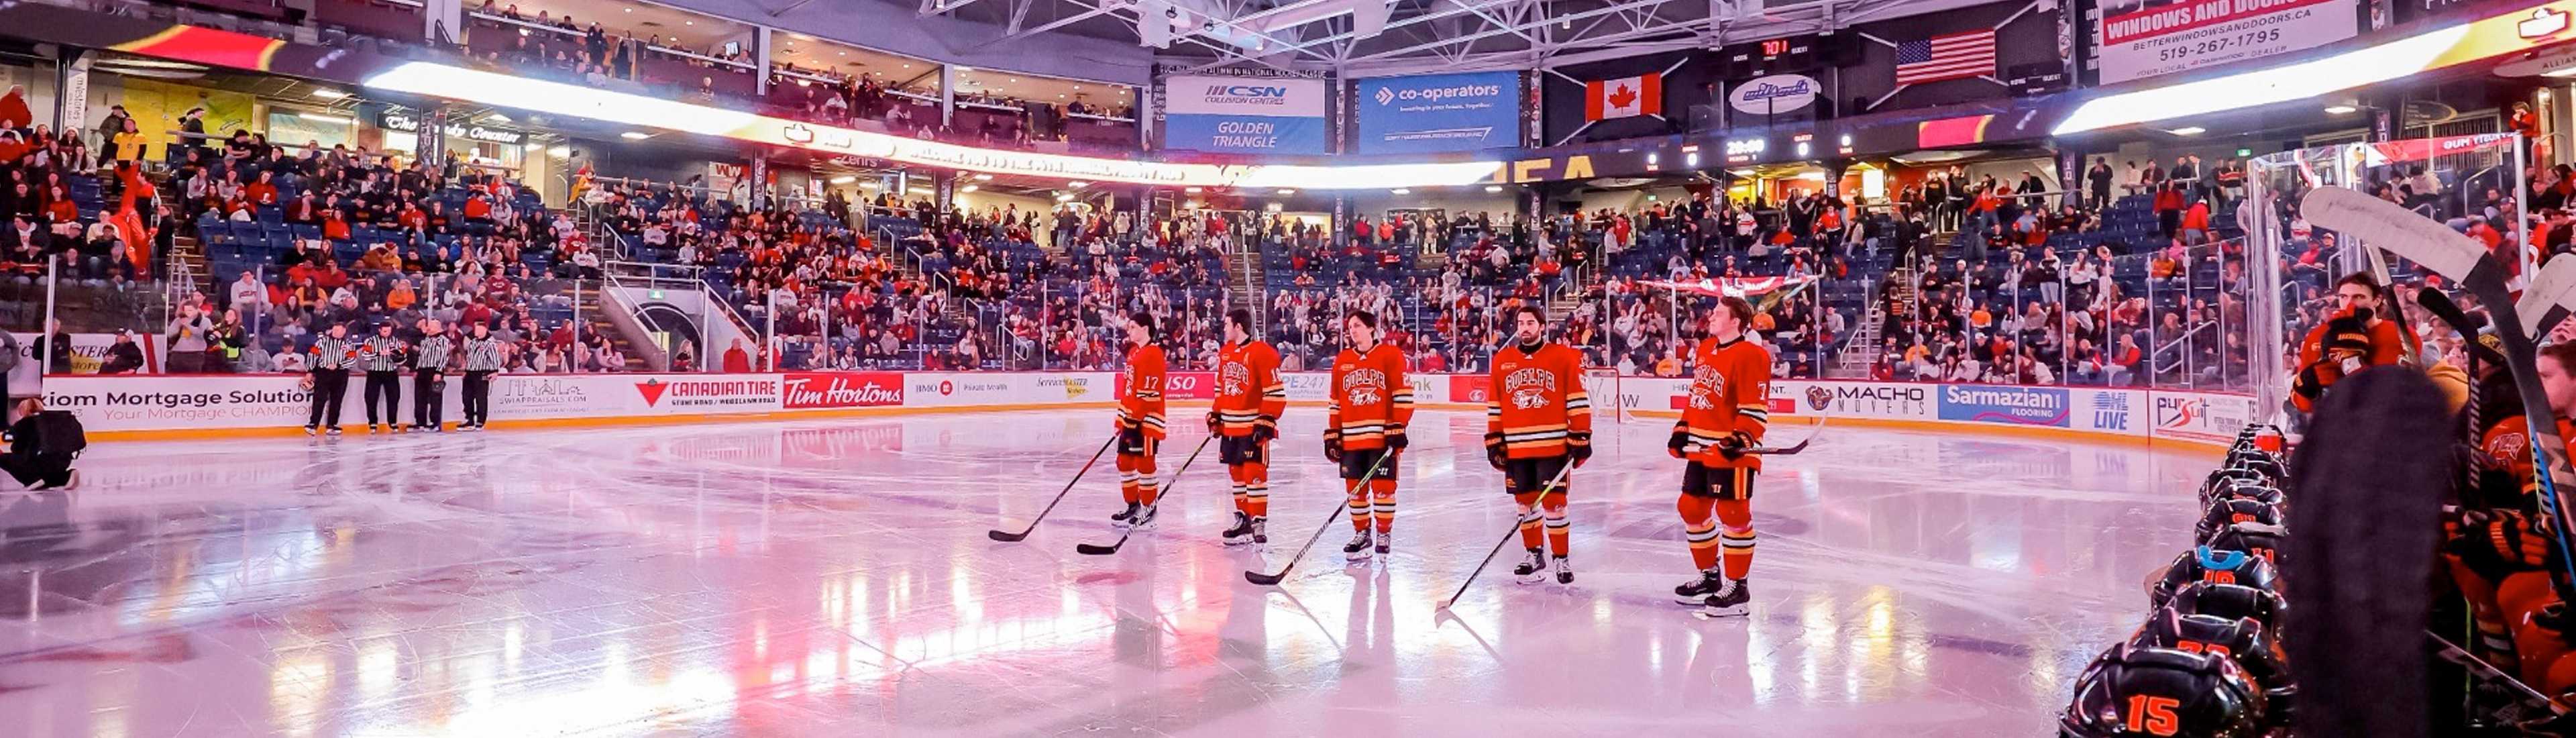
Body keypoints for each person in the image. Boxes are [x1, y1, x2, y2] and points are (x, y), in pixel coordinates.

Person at [1670, 296, 1772, 617]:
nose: (1711, 317)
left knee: (1734, 515)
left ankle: (1738, 589)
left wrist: (1739, 438)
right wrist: (1682, 428)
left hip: (1731, 452)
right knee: (1691, 508)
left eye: (1718, 313)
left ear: (1737, 321)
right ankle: (1710, 577)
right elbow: (1698, 395)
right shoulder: (1705, 350)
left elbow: (1756, 409)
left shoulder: (1752, 355)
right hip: (1701, 447)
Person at [1485, 305, 1591, 585]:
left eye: (1530, 322)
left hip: (1552, 446)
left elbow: (1577, 399)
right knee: (1525, 504)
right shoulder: (1503, 360)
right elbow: (1495, 404)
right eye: (1520, 323)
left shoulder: (1562, 357)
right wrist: (1494, 440)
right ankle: (1534, 555)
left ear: (1542, 326)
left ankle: (1561, 558)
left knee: (1555, 504)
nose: (1525, 328)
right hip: (1517, 448)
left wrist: (1581, 435)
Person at [1326, 309, 1412, 563]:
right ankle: (1362, 534)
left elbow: (1403, 396)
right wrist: (1333, 434)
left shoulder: (1390, 355)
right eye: (1350, 326)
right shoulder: (1342, 361)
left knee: (1384, 489)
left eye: (1358, 326)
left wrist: (1398, 427)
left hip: (1380, 439)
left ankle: (1384, 533)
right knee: (1355, 490)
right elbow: (1336, 402)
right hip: (1352, 438)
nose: (1353, 330)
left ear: (1371, 328)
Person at [1208, 308, 1285, 546]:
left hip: (1252, 426)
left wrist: (1267, 418)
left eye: (1227, 324)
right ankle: (1244, 519)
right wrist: (1216, 414)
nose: (1224, 328)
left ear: (1238, 326)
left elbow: (1275, 392)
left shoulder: (1262, 353)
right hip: (1231, 426)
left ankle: (1259, 521)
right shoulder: (1226, 353)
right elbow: (1221, 390)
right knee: (1237, 474)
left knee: (1254, 474)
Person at [2290, 272, 2408, 413]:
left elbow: (2414, 392)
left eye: (2358, 297)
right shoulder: (2317, 336)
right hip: (2335, 426)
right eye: (2343, 297)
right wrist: (2307, 387)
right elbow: (2302, 405)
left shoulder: (2402, 335)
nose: (2350, 303)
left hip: (2388, 424)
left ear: (2377, 300)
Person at [1110, 311, 1168, 529]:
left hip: (1146, 421)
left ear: (1145, 329)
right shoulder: (1134, 353)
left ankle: (1149, 510)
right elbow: (1129, 391)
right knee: (1124, 462)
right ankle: (1133, 505)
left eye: (1133, 327)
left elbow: (1150, 394)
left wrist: (1135, 419)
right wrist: (1121, 420)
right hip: (1130, 419)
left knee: (1145, 465)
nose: (1129, 330)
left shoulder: (1153, 354)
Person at [0, 397, 80, 490]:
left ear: (23, 410)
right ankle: (65, 477)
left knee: (5, 458)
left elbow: (18, 449)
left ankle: (31, 480)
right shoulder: (53, 421)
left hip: (40, 463)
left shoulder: (23, 424)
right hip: (63, 461)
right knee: (47, 470)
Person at [307, 322, 356, 435]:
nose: (336, 333)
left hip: (341, 373)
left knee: (337, 400)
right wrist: (310, 370)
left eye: (339, 331)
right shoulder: (322, 342)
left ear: (344, 331)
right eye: (334, 330)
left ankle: (332, 425)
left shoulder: (349, 344)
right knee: (320, 398)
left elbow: (352, 359)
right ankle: (313, 424)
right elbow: (312, 355)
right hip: (324, 372)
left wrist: (338, 365)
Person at [360, 321, 406, 433]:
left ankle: (393, 422)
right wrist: (380, 353)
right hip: (375, 372)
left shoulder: (395, 341)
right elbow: (365, 355)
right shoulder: (371, 341)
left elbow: (403, 357)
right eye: (385, 331)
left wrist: (399, 357)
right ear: (380, 330)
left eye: (389, 331)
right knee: (371, 398)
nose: (387, 333)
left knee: (394, 397)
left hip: (391, 372)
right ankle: (373, 422)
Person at [460, 321, 503, 430]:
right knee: (467, 397)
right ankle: (469, 419)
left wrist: (494, 371)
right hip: (470, 372)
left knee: (481, 398)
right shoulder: (473, 342)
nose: (475, 331)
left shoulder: (490, 344)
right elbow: (470, 358)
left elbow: (494, 359)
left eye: (478, 329)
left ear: (484, 330)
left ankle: (480, 420)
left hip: (482, 372)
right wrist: (466, 370)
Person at [413, 319, 452, 433]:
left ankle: (435, 423)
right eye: (428, 326)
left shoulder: (443, 341)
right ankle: (420, 422)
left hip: (434, 370)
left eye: (431, 327)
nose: (428, 329)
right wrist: (417, 370)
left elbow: (444, 357)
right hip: (422, 370)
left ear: (438, 329)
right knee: (420, 397)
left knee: (435, 398)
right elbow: (421, 356)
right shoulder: (425, 340)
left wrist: (439, 372)